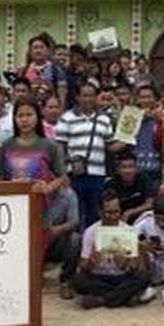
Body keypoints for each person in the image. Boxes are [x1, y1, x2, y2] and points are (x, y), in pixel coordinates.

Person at [0, 99, 69, 252]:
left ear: (38, 117)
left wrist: (48, 188)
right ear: (14, 119)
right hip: (11, 211)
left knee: (35, 257)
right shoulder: (6, 145)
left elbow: (61, 176)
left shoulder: (50, 146)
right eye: (20, 115)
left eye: (29, 114)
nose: (24, 119)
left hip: (40, 210)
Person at [71, 192, 154, 309]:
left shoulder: (128, 230)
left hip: (121, 277)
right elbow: (83, 265)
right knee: (78, 280)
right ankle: (123, 297)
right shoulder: (91, 232)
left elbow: (134, 266)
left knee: (143, 277)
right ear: (100, 212)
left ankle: (102, 299)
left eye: (116, 212)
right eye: (108, 212)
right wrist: (91, 261)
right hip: (99, 277)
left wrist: (125, 263)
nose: (113, 216)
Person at [56, 82, 118, 230]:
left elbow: (111, 146)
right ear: (77, 97)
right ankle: (76, 248)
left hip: (97, 175)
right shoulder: (67, 118)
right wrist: (62, 173)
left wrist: (128, 137)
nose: (88, 99)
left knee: (95, 213)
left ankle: (91, 246)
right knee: (74, 214)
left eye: (91, 95)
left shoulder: (104, 119)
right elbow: (60, 147)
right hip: (74, 174)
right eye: (84, 95)